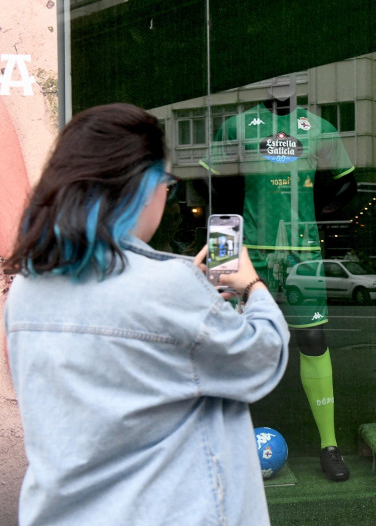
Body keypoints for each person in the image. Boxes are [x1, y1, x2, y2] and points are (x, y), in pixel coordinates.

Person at [4, 103, 290, 525]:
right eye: (168, 183)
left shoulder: (26, 290)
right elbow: (263, 359)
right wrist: (251, 284)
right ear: (142, 184)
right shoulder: (169, 288)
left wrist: (189, 295)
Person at [206, 97, 356, 481]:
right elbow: (216, 193)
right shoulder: (238, 126)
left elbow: (346, 185)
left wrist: (316, 216)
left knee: (313, 339)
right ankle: (222, 447)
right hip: (249, 254)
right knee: (234, 343)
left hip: (301, 253)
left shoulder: (319, 127)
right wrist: (223, 259)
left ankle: (329, 444)